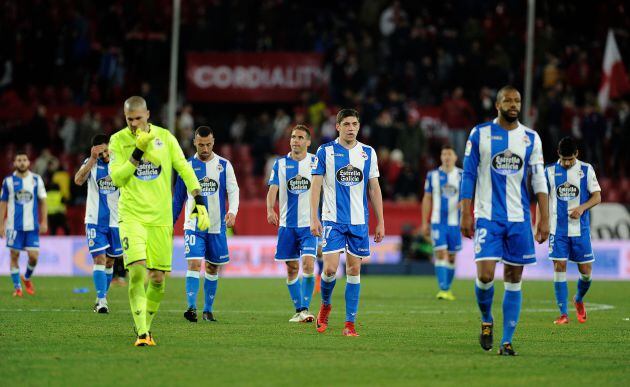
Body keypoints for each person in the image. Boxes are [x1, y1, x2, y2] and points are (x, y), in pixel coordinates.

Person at [109, 96, 209, 347]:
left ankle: (146, 324)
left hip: (161, 219)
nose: (133, 124)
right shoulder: (117, 141)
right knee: (138, 271)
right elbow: (118, 179)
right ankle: (142, 332)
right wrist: (137, 151)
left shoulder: (165, 137)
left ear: (148, 115)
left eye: (138, 118)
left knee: (157, 279)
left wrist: (199, 200)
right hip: (132, 216)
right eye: (129, 119)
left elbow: (185, 169)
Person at [460, 85, 550, 356]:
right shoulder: (480, 134)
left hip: (519, 218)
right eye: (508, 100)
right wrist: (466, 211)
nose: (513, 104)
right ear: (497, 105)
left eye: (517, 100)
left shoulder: (531, 138)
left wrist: (544, 218)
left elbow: (538, 179)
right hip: (487, 215)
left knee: (514, 277)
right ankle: (487, 319)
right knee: (485, 275)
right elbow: (468, 174)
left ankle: (507, 341)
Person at [310, 109, 385, 337]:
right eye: (347, 124)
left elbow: (374, 188)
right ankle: (325, 305)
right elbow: (316, 186)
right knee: (330, 269)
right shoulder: (325, 151)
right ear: (338, 126)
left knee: (354, 270)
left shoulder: (367, 153)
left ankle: (349, 324)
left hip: (359, 222)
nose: (351, 128)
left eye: (355, 124)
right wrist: (314, 217)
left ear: (359, 127)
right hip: (332, 219)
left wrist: (380, 221)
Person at [173, 126, 239, 323]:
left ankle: (208, 310)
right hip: (194, 224)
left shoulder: (224, 165)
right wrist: (170, 223)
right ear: (194, 142)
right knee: (194, 263)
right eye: (201, 144)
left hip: (217, 226)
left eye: (208, 144)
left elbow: (234, 191)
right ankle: (191, 307)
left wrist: (233, 211)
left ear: (213, 142)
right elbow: (178, 199)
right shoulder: (186, 166)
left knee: (212, 268)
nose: (205, 148)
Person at [545, 136, 601, 325]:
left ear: (577, 154)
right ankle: (563, 314)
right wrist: (540, 224)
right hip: (557, 230)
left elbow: (597, 197)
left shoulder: (586, 169)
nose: (567, 163)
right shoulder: (550, 171)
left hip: (580, 230)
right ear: (558, 155)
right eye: (563, 159)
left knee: (585, 272)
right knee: (559, 266)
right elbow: (542, 199)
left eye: (570, 159)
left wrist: (582, 207)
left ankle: (578, 299)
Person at [266, 125, 318, 323]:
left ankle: (305, 308)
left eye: (300, 137)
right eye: (293, 137)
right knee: (291, 268)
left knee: (308, 264)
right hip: (287, 225)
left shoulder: (315, 162)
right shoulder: (280, 164)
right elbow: (272, 190)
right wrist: (270, 209)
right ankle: (299, 310)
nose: (295, 140)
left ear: (307, 142)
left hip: (309, 225)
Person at [74, 134, 122, 313]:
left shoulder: (119, 162)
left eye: (105, 151)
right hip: (94, 220)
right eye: (99, 153)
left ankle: (101, 296)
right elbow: (78, 180)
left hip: (116, 221)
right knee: (99, 259)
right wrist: (92, 160)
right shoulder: (90, 162)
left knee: (110, 262)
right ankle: (102, 301)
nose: (104, 155)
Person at [0, 151, 48, 296]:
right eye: (19, 160)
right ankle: (18, 288)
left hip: (32, 226)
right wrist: (1, 224)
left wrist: (44, 221)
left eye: (24, 160)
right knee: (14, 256)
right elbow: (3, 203)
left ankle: (26, 277)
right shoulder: (8, 181)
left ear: (28, 162)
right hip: (13, 226)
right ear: (14, 163)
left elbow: (43, 201)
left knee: (33, 257)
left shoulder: (36, 179)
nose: (22, 162)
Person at [420, 144, 462, 300]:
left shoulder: (462, 176)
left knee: (451, 257)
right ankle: (443, 289)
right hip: (438, 222)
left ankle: (448, 288)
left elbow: (468, 197)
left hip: (455, 223)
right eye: (444, 154)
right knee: (440, 253)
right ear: (441, 157)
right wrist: (425, 222)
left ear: (455, 157)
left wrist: (463, 205)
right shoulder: (432, 176)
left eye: (450, 154)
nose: (447, 157)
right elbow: (427, 198)